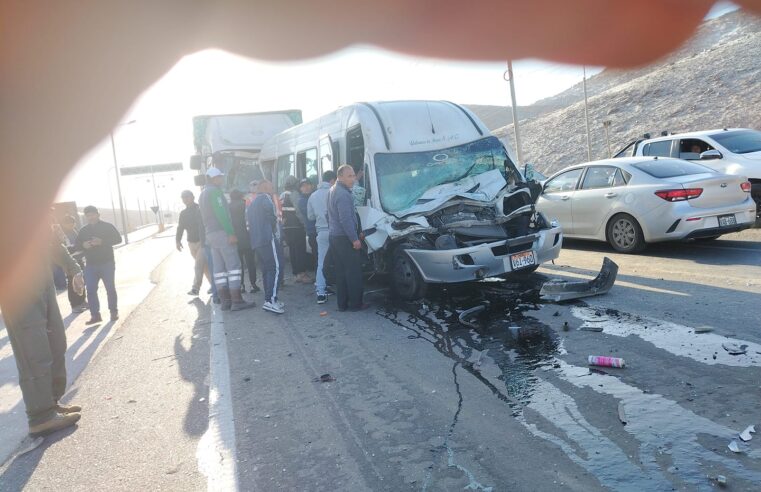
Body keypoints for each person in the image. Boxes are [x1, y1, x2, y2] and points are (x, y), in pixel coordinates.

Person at [0, 226, 85, 436]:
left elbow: (51, 239)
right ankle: (40, 416)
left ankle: (51, 403)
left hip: (42, 281)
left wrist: (73, 269)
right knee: (33, 351)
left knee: (56, 344)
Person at [198, 166, 254, 311]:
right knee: (233, 266)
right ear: (212, 178)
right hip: (222, 233)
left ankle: (225, 301)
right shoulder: (215, 192)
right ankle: (237, 300)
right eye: (219, 177)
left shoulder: (203, 193)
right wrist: (230, 232)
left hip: (210, 235)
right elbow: (221, 213)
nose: (221, 179)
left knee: (219, 270)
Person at [328, 165, 367, 311]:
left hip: (335, 237)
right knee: (353, 272)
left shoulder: (332, 190)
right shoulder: (343, 194)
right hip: (345, 238)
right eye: (350, 176)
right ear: (340, 177)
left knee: (341, 272)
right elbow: (345, 219)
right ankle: (356, 304)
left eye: (353, 175)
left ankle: (342, 304)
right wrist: (354, 239)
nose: (353, 179)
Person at [75, 205, 122, 324]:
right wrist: (84, 245)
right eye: (88, 215)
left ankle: (113, 312)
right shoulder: (83, 230)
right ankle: (95, 315)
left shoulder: (107, 226)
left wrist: (102, 242)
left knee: (110, 289)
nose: (90, 217)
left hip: (107, 263)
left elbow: (118, 239)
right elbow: (77, 245)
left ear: (98, 214)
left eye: (92, 214)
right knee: (90, 290)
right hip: (90, 265)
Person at [247, 179, 284, 314]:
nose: (273, 188)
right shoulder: (266, 198)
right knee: (276, 267)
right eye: (271, 186)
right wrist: (275, 232)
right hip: (268, 238)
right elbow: (272, 218)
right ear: (265, 187)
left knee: (267, 269)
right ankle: (271, 300)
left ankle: (270, 298)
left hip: (257, 241)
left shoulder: (252, 203)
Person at [307, 170, 336, 304]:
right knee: (339, 261)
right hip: (336, 232)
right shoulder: (334, 192)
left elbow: (310, 216)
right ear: (332, 180)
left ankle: (321, 292)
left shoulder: (313, 196)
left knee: (321, 262)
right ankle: (341, 289)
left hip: (322, 232)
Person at [176, 190, 211, 296]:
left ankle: (195, 288)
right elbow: (180, 228)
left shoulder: (200, 209)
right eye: (183, 197)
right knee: (203, 266)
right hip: (191, 243)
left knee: (198, 265)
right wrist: (177, 241)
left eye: (187, 197)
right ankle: (214, 286)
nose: (185, 199)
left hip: (202, 242)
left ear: (193, 197)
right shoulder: (183, 213)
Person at [280, 176, 311, 284]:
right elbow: (298, 211)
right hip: (296, 227)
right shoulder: (294, 194)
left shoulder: (282, 195)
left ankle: (296, 274)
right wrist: (305, 224)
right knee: (300, 251)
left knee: (293, 251)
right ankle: (302, 274)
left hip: (286, 227)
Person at [229, 189, 260, 293]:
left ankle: (241, 285)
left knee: (239, 264)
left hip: (235, 240)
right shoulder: (246, 204)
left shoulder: (228, 207)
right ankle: (253, 284)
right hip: (247, 238)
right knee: (251, 262)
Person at [59, 214, 87, 312]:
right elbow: (65, 249)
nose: (71, 225)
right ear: (63, 224)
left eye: (73, 223)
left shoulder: (75, 231)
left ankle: (82, 301)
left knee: (81, 282)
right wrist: (77, 247)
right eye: (69, 223)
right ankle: (75, 305)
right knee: (72, 284)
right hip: (70, 262)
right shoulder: (61, 234)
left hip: (79, 260)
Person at [297, 179, 317, 270]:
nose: (306, 187)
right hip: (312, 232)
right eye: (303, 186)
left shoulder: (315, 196)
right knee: (317, 256)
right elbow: (311, 214)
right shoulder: (301, 201)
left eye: (308, 184)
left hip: (321, 230)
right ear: (300, 189)